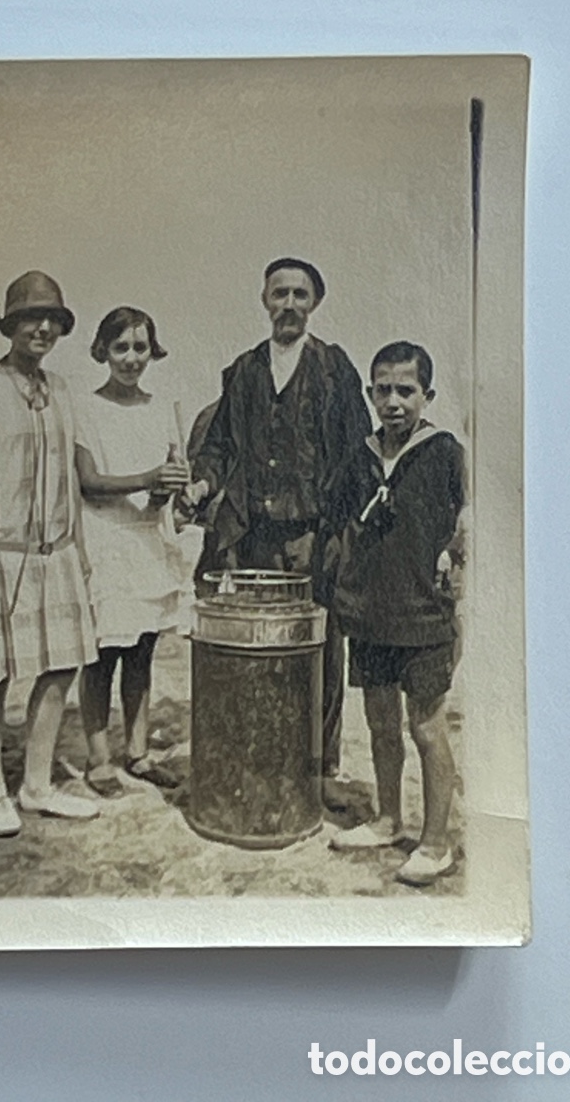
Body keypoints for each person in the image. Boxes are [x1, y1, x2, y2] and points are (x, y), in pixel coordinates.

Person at [188, 258, 370, 801]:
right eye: (279, 294)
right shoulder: (242, 371)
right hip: (251, 537)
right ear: (264, 301)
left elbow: (355, 453)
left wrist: (333, 531)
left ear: (314, 302)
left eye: (300, 294)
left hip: (311, 538)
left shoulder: (335, 368)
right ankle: (266, 753)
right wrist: (202, 483)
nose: (289, 304)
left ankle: (321, 766)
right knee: (259, 648)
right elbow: (219, 446)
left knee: (320, 650)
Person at [0, 271, 100, 836]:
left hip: (54, 554)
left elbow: (68, 481)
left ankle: (36, 787)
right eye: (30, 318)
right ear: (9, 326)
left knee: (62, 665)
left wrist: (78, 549)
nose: (41, 328)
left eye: (51, 319)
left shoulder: (60, 389)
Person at [327, 341, 466, 885]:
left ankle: (435, 844)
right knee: (381, 723)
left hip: (425, 617)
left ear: (426, 395)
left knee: (426, 728)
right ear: (369, 393)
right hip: (371, 615)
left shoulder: (445, 452)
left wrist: (457, 556)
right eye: (382, 390)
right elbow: (339, 523)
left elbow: (473, 519)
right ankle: (387, 819)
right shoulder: (359, 456)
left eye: (405, 390)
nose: (393, 401)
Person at [74, 306, 192, 797]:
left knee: (142, 652)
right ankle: (100, 759)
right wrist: (147, 479)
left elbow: (168, 480)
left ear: (152, 351)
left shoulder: (162, 409)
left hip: (149, 537)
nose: (130, 358)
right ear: (103, 350)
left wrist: (171, 490)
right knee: (102, 655)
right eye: (120, 347)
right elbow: (88, 482)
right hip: (107, 539)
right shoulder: (85, 408)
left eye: (140, 347)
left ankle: (138, 753)